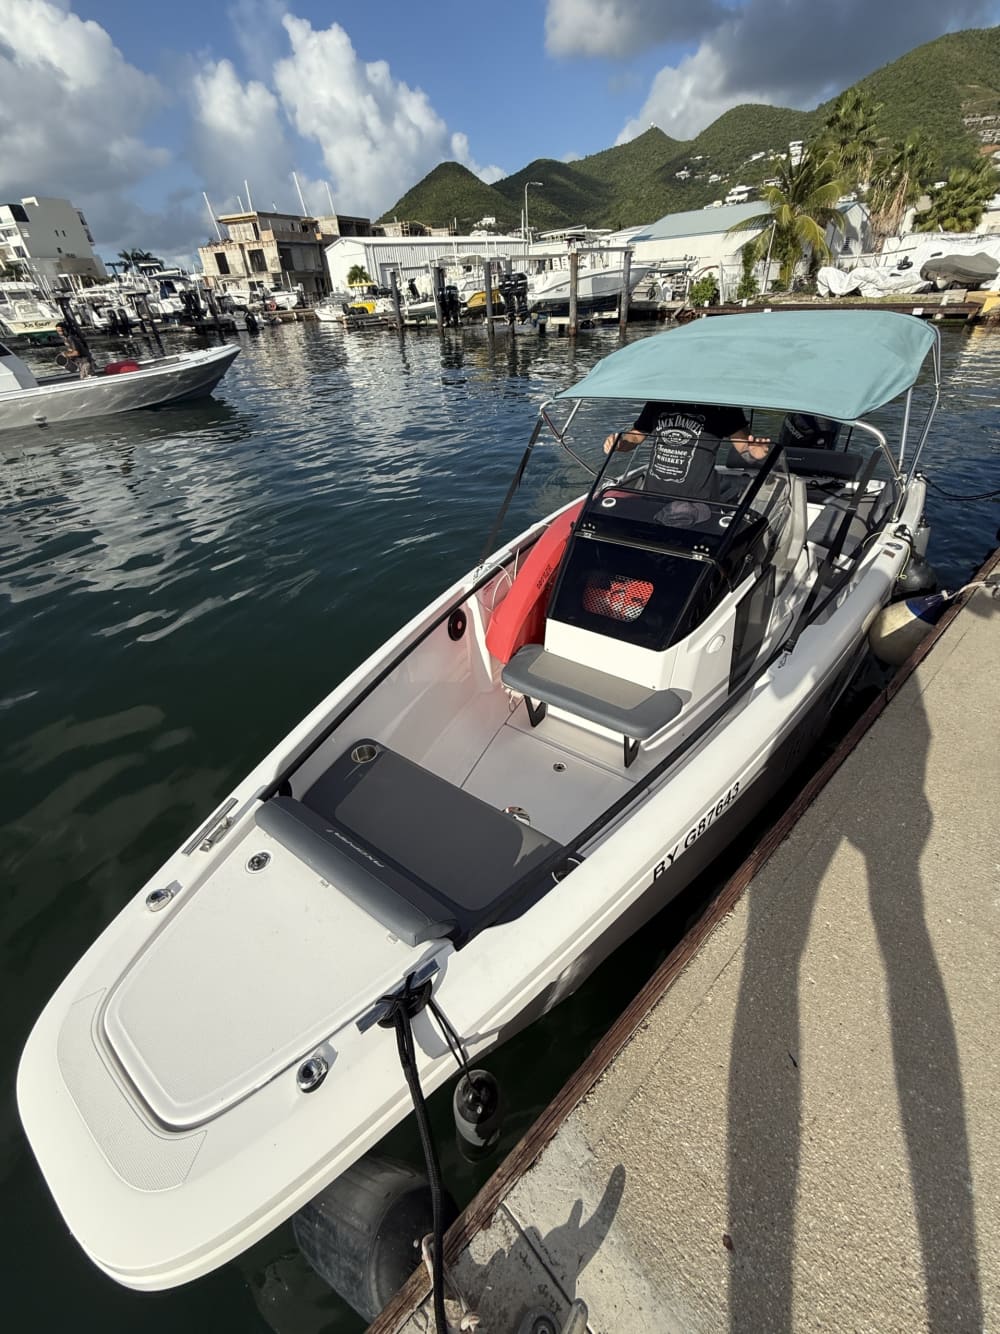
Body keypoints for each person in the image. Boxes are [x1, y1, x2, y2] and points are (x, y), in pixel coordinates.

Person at [603, 401, 771, 499]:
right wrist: (619, 443)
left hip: (700, 500)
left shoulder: (723, 406)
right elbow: (636, 436)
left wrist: (755, 453)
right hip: (653, 495)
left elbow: (743, 446)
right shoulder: (658, 401)